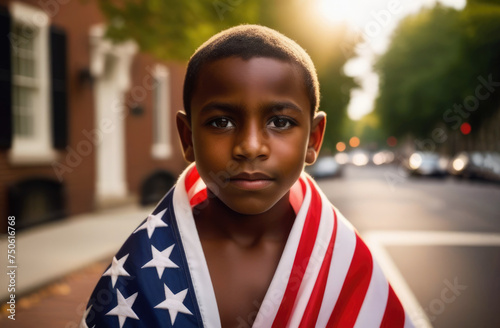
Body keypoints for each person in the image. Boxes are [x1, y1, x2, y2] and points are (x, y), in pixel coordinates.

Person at [81, 25, 413, 328]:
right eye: (221, 122)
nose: (250, 147)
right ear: (187, 138)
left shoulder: (347, 265)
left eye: (280, 122)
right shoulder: (139, 267)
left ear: (313, 139)